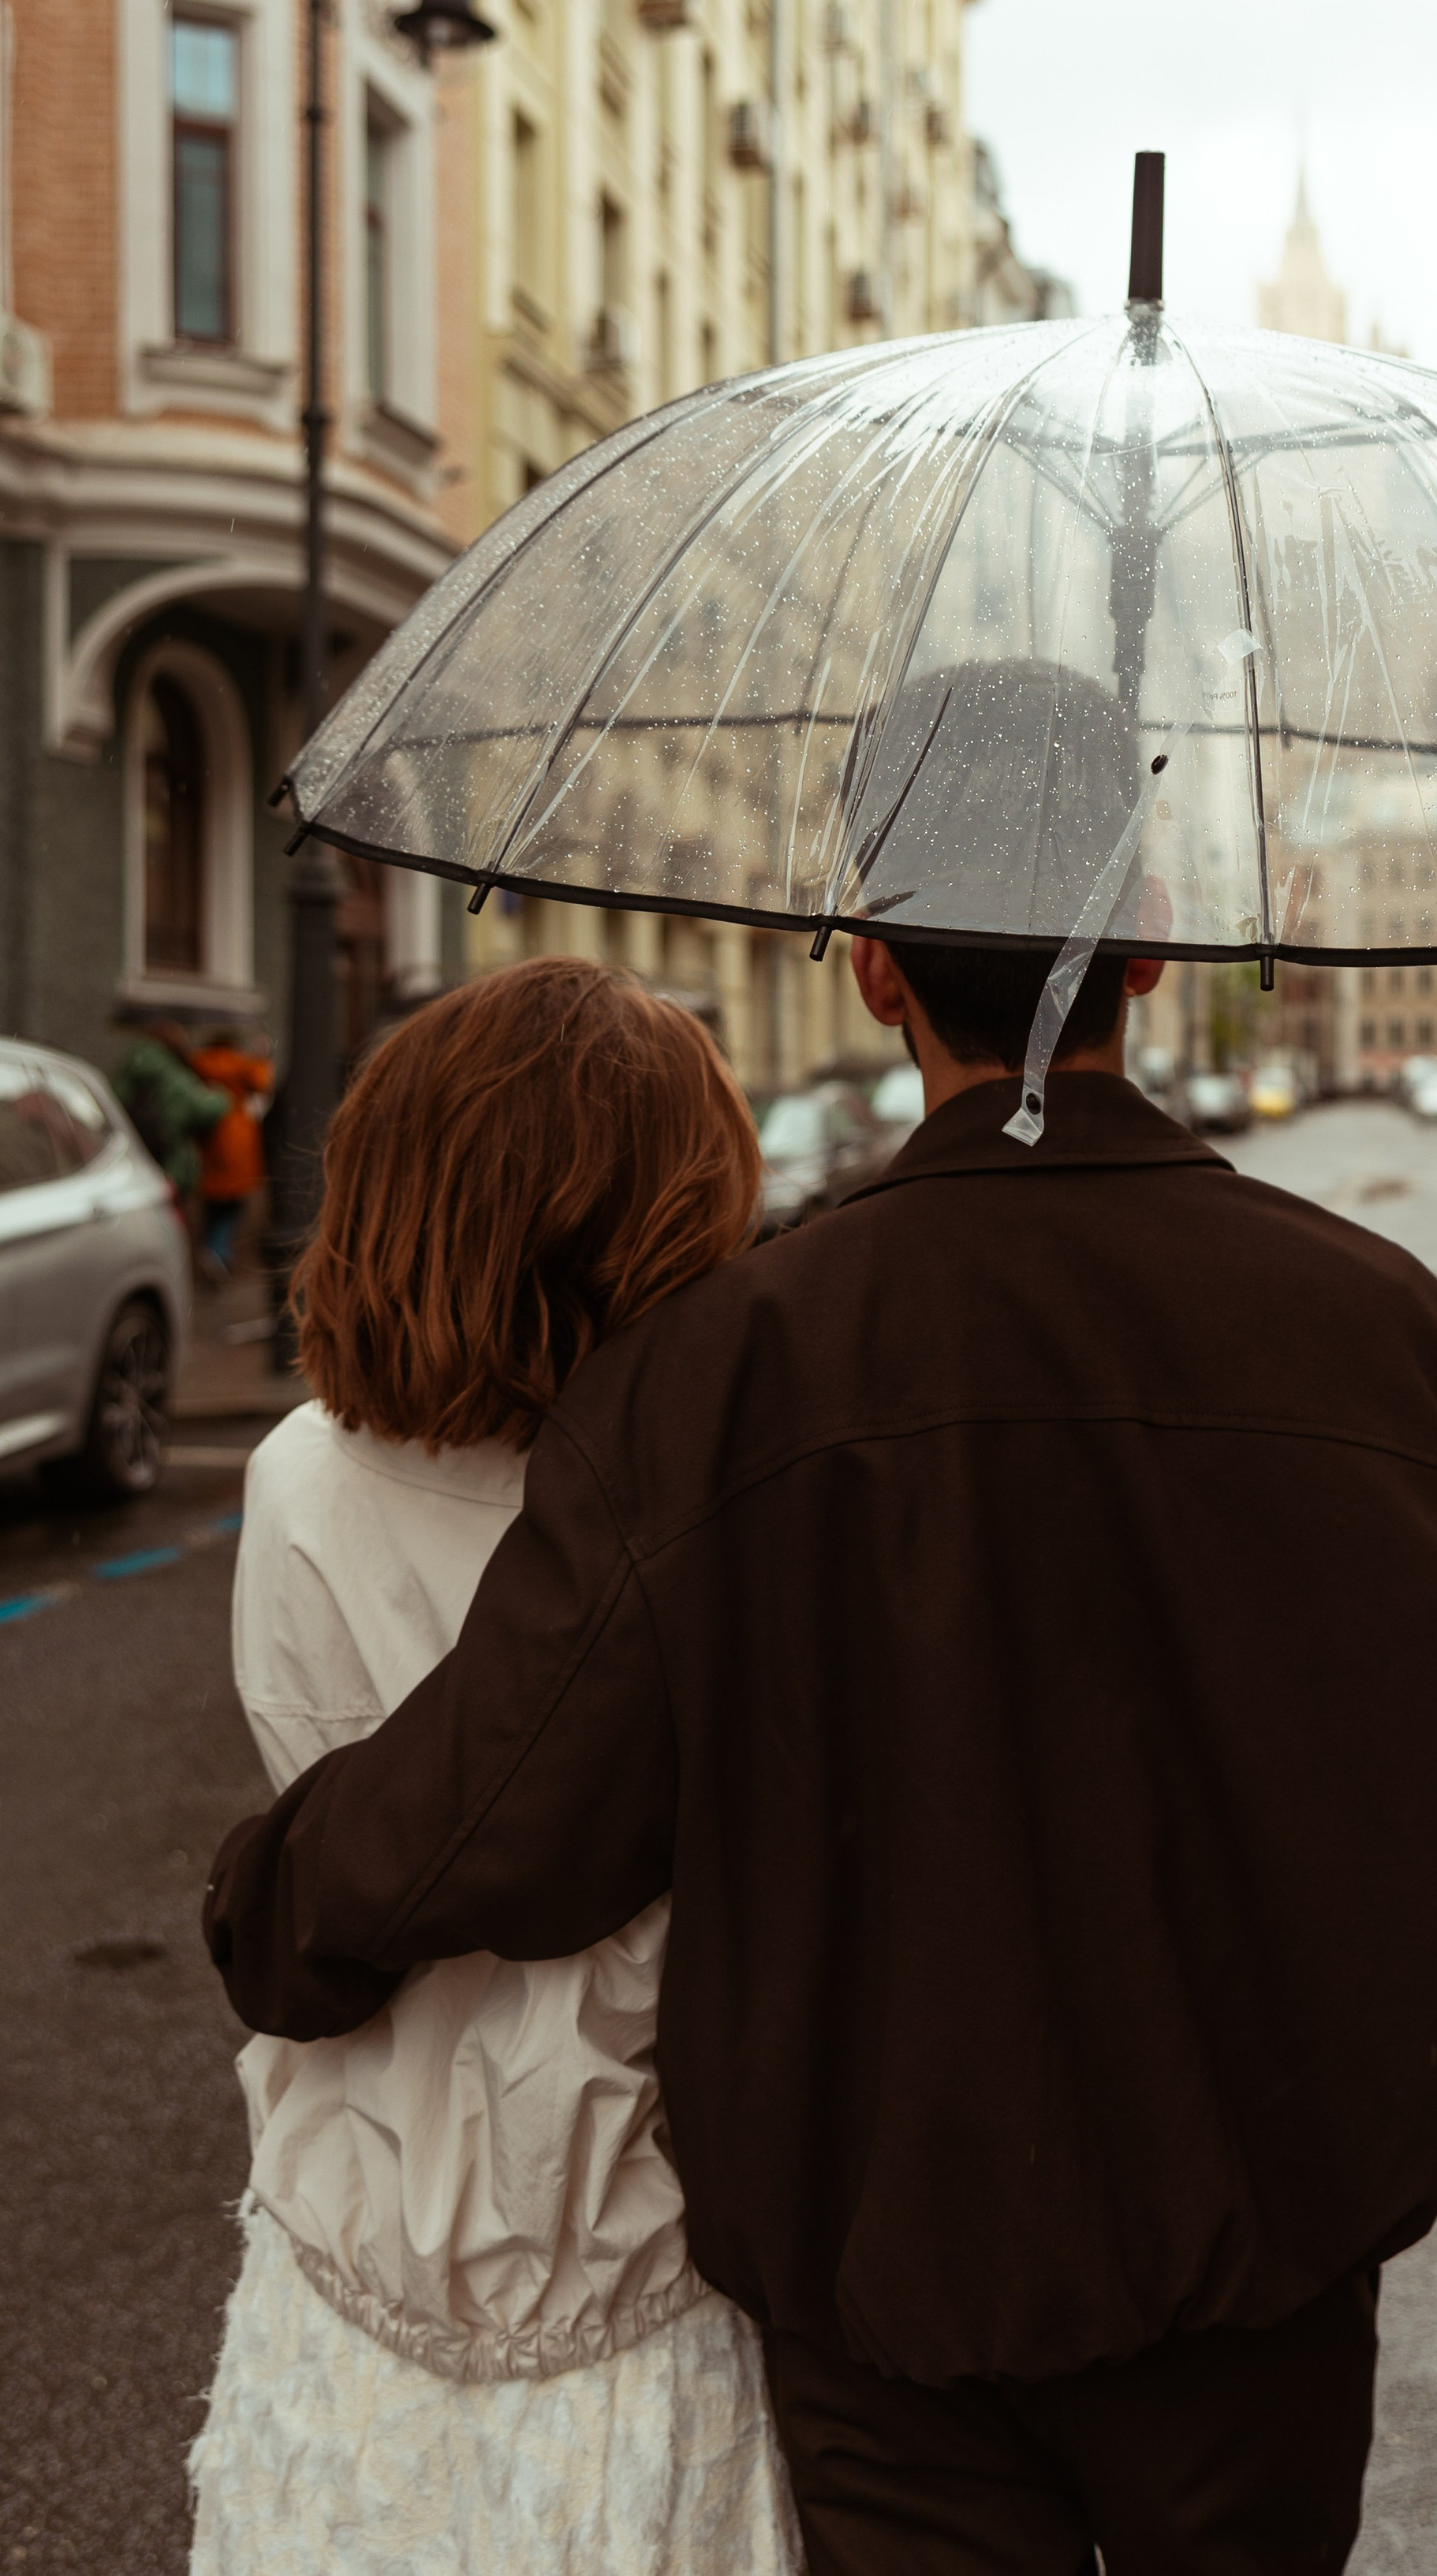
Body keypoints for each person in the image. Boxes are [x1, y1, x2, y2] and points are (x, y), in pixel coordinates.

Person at [204, 659, 1437, 2574]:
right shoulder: (1406, 1343)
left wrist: (274, 1904)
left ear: (865, 959)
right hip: (1264, 2249)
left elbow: (522, 1786)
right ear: (1152, 943)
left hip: (885, 2281)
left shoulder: (727, 1369)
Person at [186, 958, 801, 2576]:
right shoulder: (712, 1498)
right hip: (637, 2239)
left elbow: (325, 1798)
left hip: (366, 2218)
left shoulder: (298, 1477)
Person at [113, 1012, 226, 1227]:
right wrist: (219, 1094)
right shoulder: (169, 1074)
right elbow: (204, 1109)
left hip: (135, 1162)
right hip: (170, 1164)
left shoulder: (128, 1069)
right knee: (169, 1229)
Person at [189, 1029, 273, 1279]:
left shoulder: (200, 1062)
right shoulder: (242, 1064)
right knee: (233, 1201)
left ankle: (213, 1248)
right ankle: (218, 1251)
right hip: (237, 1135)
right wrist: (262, 1056)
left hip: (208, 1136)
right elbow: (263, 1083)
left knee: (213, 1199)